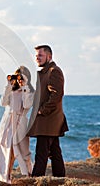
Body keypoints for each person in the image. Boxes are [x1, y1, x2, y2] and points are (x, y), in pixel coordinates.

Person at [27, 44, 69, 177]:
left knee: (42, 153)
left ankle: (35, 180)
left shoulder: (54, 71)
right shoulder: (45, 72)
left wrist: (42, 111)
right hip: (48, 120)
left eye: (40, 55)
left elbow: (57, 95)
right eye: (36, 56)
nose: (37, 58)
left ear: (49, 56)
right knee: (54, 152)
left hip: (48, 119)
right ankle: (60, 179)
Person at [0, 66, 35, 183]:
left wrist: (25, 86)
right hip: (6, 123)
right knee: (5, 150)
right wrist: (8, 86)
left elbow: (27, 105)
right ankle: (4, 177)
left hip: (20, 123)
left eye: (21, 77)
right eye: (17, 76)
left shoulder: (30, 91)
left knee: (23, 151)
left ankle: (28, 175)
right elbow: (2, 103)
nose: (19, 79)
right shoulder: (12, 90)